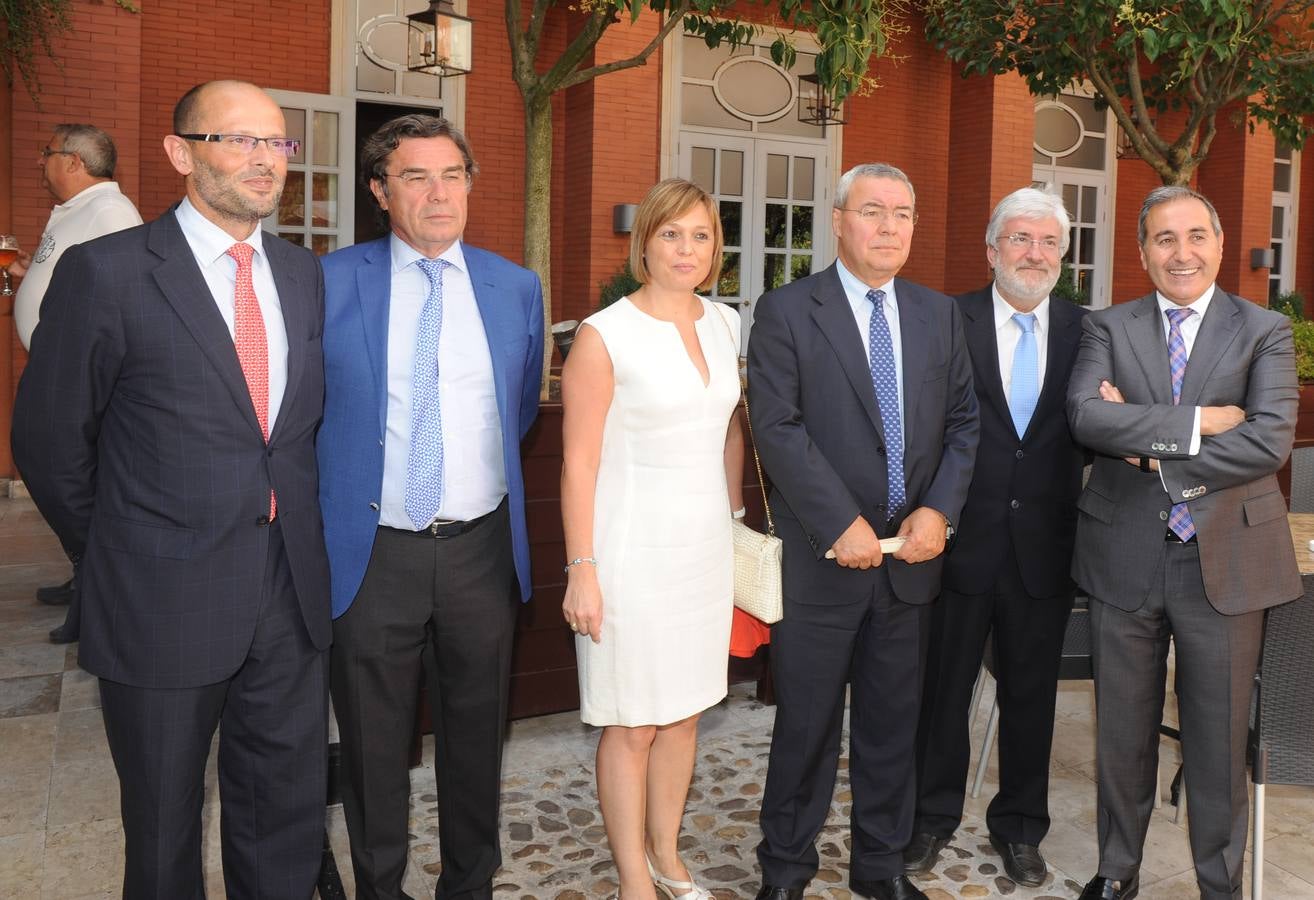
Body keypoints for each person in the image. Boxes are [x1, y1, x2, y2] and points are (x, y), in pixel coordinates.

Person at [11, 80, 331, 897]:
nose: (264, 160)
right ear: (181, 153)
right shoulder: (108, 272)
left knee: (283, 816)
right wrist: (119, 550)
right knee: (162, 831)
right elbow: (49, 445)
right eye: (239, 140)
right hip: (158, 596)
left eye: (277, 143)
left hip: (288, 595)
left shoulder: (301, 276)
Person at [317, 114, 543, 900]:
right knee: (375, 743)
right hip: (372, 551)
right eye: (416, 177)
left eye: (452, 174)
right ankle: (380, 887)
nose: (438, 193)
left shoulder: (516, 287)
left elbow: (518, 412)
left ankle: (468, 884)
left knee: (478, 735)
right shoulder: (329, 281)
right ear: (382, 191)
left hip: (481, 547)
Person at [747, 163, 979, 900]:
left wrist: (939, 510)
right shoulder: (787, 311)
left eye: (903, 214)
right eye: (873, 212)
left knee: (891, 728)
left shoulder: (939, 314)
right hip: (823, 561)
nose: (889, 227)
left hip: (911, 562)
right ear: (840, 220)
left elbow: (965, 425)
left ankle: (880, 867)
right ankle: (785, 871)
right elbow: (776, 426)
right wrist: (839, 521)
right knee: (806, 729)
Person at [1066, 185, 1302, 900]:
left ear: (1220, 245)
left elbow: (1269, 439)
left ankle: (1218, 883)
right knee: (1120, 734)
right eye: (1164, 239)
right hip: (1124, 556)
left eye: (1196, 235)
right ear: (1141, 252)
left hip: (1227, 560)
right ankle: (1116, 871)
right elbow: (1084, 418)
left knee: (1219, 739)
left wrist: (1146, 444)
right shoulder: (1107, 326)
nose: (1182, 252)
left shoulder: (1264, 328)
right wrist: (1202, 423)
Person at [560, 178, 746, 900]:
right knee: (632, 722)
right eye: (672, 234)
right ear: (645, 243)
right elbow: (579, 461)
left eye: (700, 235)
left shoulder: (726, 323)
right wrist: (583, 568)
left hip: (702, 549)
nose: (686, 249)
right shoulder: (606, 334)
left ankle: (668, 857)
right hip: (630, 554)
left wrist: (732, 522)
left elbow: (729, 428)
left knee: (684, 713)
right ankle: (634, 879)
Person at [907, 188, 1086, 887]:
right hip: (957, 540)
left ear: (1063, 255)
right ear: (991, 250)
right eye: (1019, 239)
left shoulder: (1086, 332)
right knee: (942, 694)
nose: (1033, 253)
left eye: (1047, 242)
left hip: (1045, 546)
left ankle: (1019, 829)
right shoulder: (945, 320)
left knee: (1032, 700)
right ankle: (929, 820)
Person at [6, 123, 142, 641]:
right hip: (56, 368)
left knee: (62, 478)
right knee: (51, 470)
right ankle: (85, 571)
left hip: (78, 376)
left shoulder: (110, 211)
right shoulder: (74, 210)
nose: (41, 161)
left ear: (73, 162)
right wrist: (27, 276)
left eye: (48, 153)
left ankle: (98, 588)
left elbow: (119, 296)